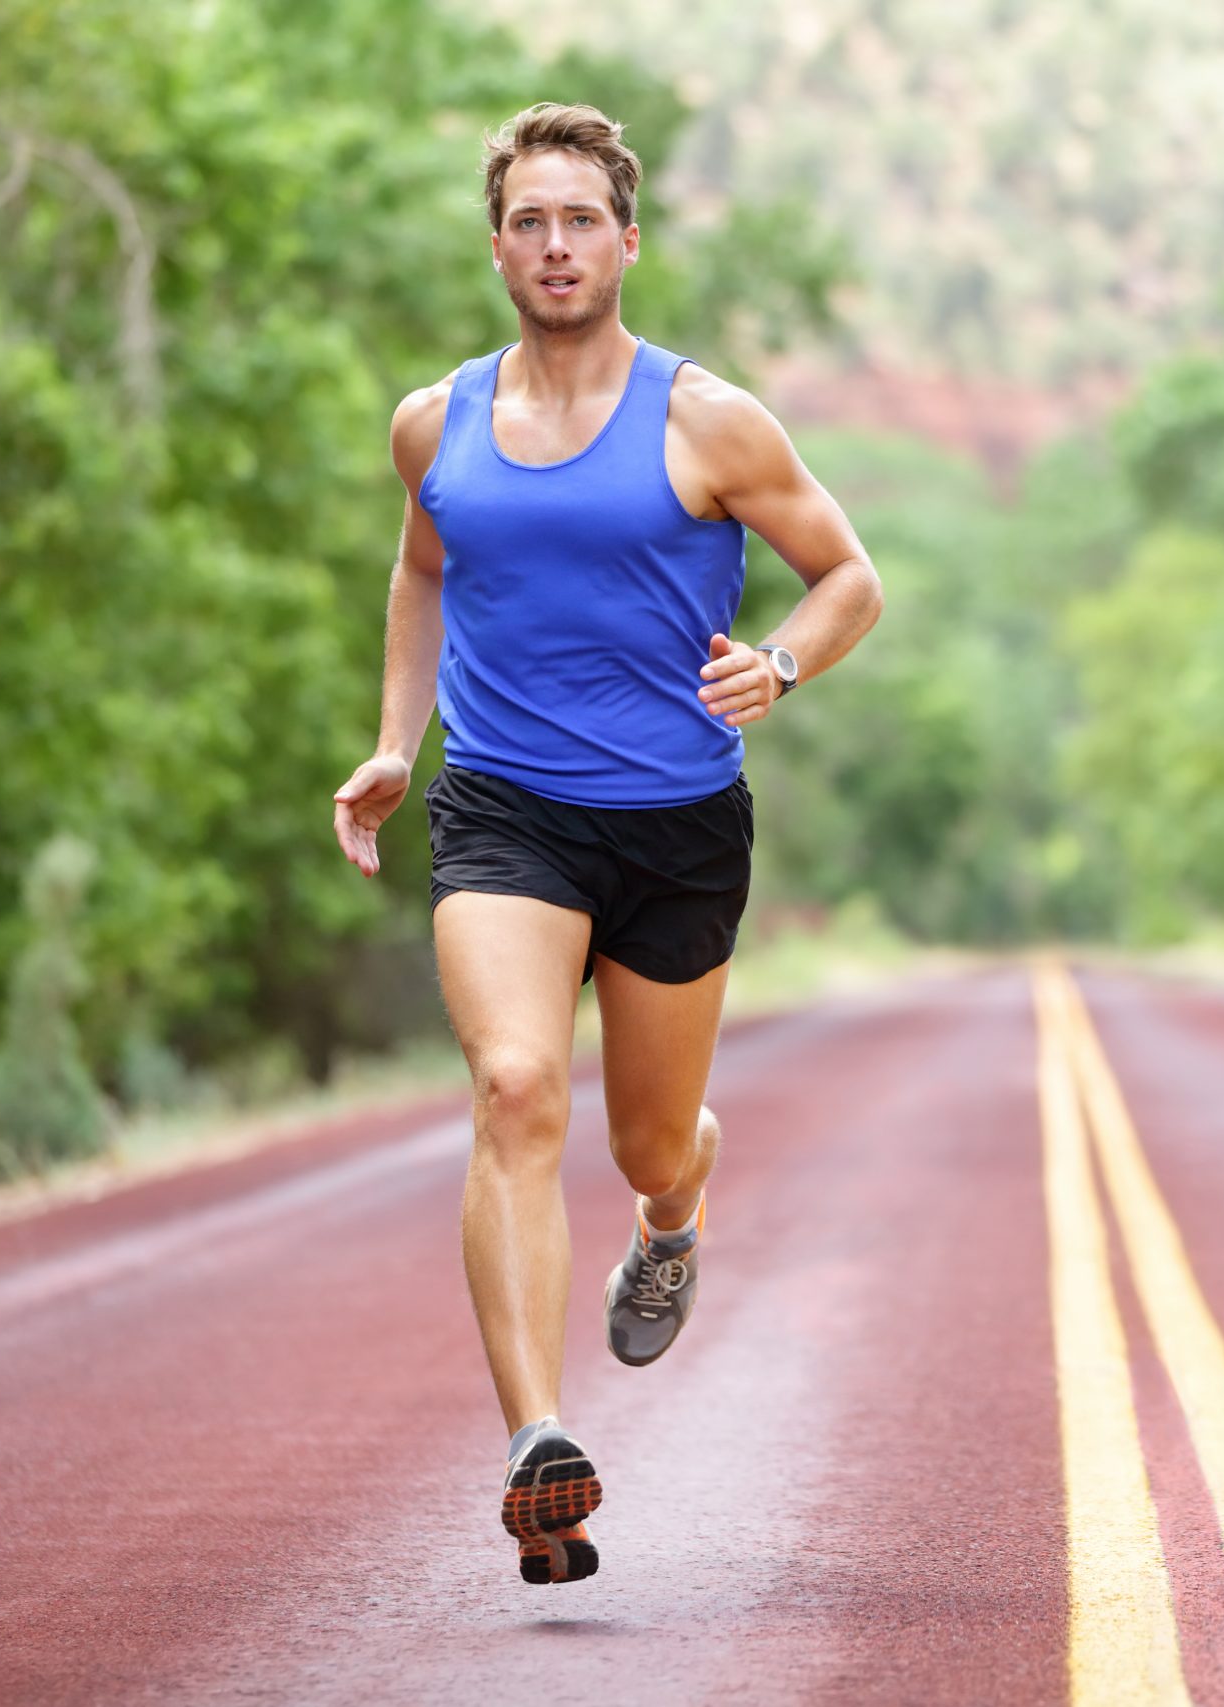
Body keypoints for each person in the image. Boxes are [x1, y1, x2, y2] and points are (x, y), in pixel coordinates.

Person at [328, 101, 883, 1586]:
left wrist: (779, 665)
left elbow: (848, 577)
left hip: (678, 826)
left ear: (626, 241)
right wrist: (398, 742)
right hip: (506, 811)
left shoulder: (709, 421)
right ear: (497, 242)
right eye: (529, 219)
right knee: (516, 1089)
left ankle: (679, 1204)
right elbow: (421, 569)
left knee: (646, 1135)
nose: (555, 243)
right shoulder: (433, 423)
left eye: (582, 218)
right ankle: (538, 1446)